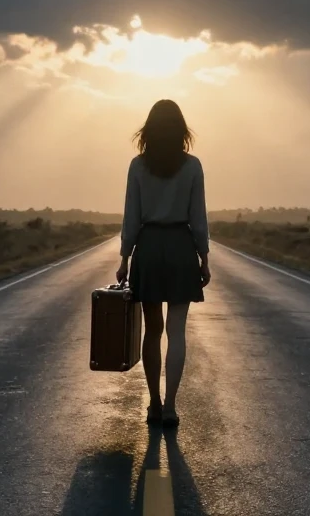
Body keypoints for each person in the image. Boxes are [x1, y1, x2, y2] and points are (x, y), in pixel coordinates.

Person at [116, 99, 211, 428]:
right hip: (182, 247)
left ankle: (154, 404)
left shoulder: (137, 166)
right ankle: (170, 406)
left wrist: (124, 259)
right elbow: (198, 218)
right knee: (177, 331)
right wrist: (204, 258)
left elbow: (131, 218)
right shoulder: (193, 166)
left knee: (153, 330)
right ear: (181, 129)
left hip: (149, 247)